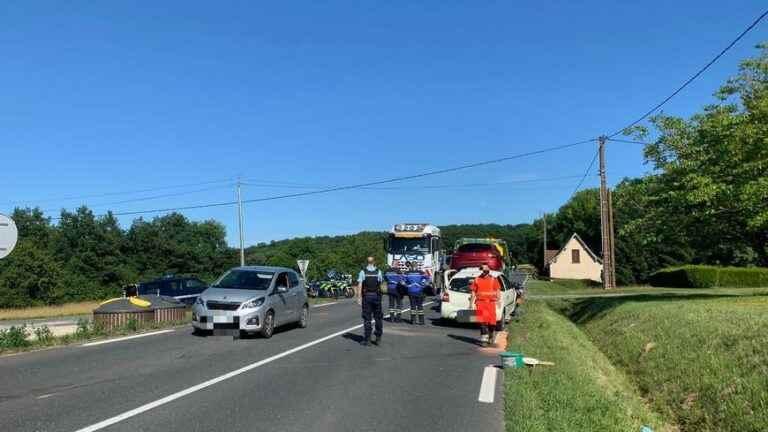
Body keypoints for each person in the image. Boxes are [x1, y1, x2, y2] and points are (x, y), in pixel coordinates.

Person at [469, 264, 501, 346]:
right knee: (482, 322)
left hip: (491, 303)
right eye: (483, 269)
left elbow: (497, 291)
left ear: (489, 270)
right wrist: (470, 304)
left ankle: (491, 335)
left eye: (486, 269)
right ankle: (484, 340)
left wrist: (498, 301)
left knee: (492, 323)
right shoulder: (477, 279)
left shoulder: (493, 280)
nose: (484, 271)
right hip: (480, 303)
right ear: (481, 270)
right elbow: (473, 292)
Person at [357, 256, 384, 346]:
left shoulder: (362, 272)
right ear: (374, 262)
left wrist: (359, 297)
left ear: (367, 262)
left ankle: (367, 340)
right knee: (378, 318)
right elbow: (381, 284)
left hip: (367, 296)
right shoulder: (378, 272)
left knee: (367, 318)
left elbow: (360, 285)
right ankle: (378, 338)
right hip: (376, 296)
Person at [405, 261, 428, 325]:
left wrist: (407, 285)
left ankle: (413, 321)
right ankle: (421, 321)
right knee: (420, 306)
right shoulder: (421, 272)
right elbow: (427, 278)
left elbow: (402, 281)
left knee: (412, 306)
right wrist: (422, 284)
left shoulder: (407, 273)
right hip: (419, 291)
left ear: (411, 266)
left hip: (411, 291)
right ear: (417, 266)